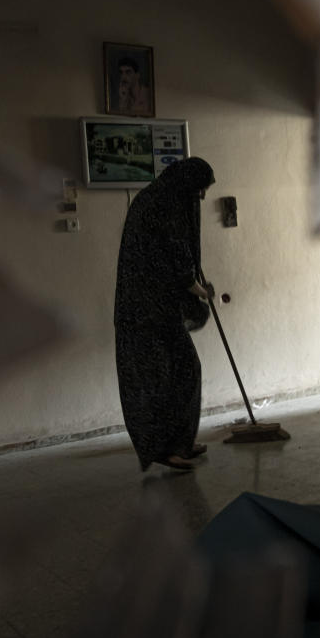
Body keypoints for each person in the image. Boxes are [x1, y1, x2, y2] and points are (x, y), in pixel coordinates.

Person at [114, 157, 216, 471]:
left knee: (180, 370)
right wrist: (200, 290)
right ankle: (166, 448)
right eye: (200, 189)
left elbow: (175, 252)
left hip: (152, 308)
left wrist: (194, 286)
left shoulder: (157, 196)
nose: (201, 197)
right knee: (164, 377)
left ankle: (179, 444)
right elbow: (171, 252)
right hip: (146, 312)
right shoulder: (162, 204)